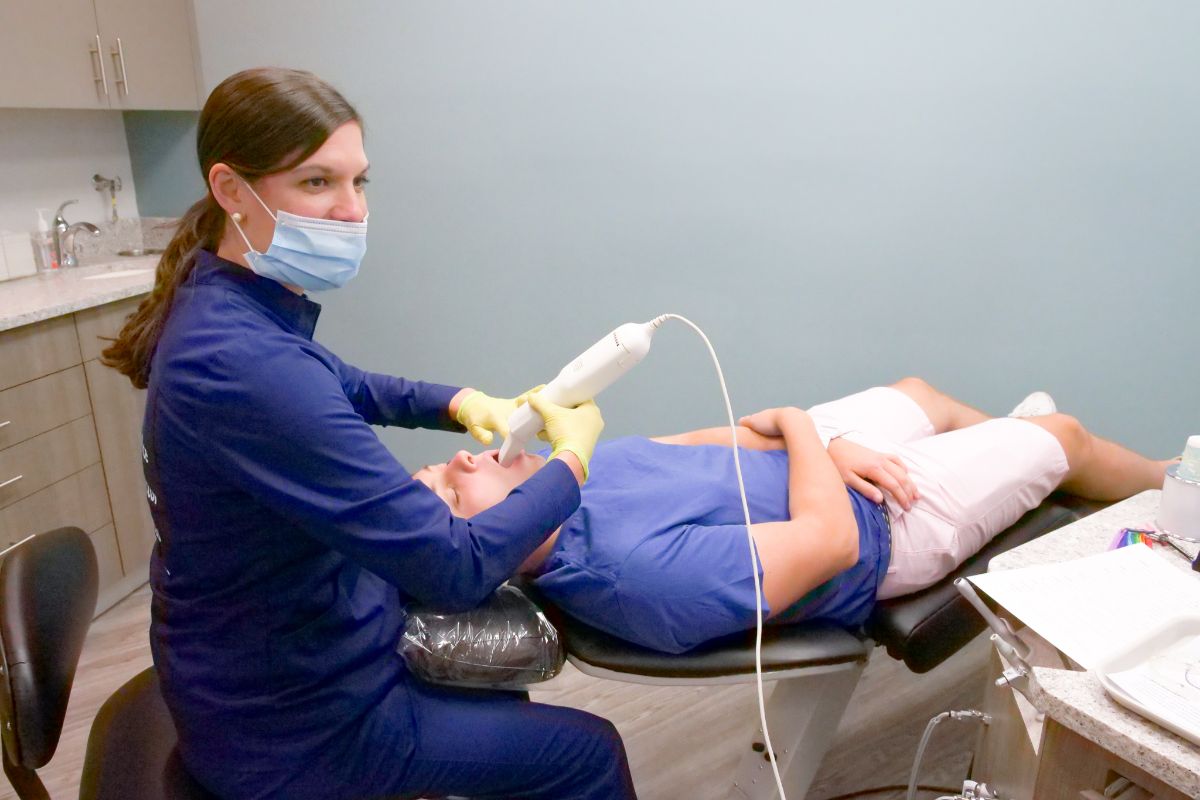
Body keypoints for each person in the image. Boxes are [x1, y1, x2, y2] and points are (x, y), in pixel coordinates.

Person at [101, 67, 636, 800]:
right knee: (586, 753)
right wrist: (570, 465)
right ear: (231, 190)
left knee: (496, 698)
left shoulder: (226, 303)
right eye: (318, 183)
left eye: (360, 182)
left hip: (268, 667)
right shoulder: (241, 366)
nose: (353, 211)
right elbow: (454, 564)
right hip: (301, 732)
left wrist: (461, 402)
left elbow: (341, 384)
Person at [414, 378, 1173, 654]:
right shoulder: (630, 576)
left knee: (923, 394)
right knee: (1062, 433)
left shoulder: (569, 478)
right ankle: (1171, 488)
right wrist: (809, 433)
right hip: (884, 527)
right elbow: (831, 542)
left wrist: (816, 439)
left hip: (822, 468)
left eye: (438, 468)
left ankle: (1009, 461)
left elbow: (716, 440)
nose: (460, 461)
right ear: (485, 554)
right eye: (451, 495)